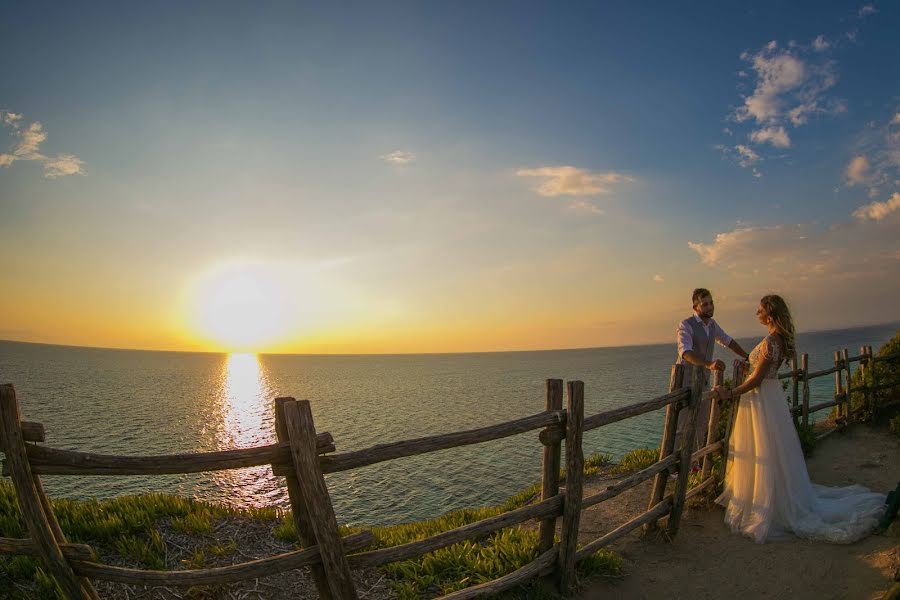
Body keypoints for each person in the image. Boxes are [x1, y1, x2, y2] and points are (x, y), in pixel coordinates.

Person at [711, 294, 885, 543]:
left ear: (770, 314)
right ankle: (764, 497)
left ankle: (768, 504)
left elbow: (757, 379)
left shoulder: (772, 341)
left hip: (763, 398)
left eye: (760, 310)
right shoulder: (777, 340)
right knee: (769, 448)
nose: (756, 313)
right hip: (769, 398)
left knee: (765, 448)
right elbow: (760, 372)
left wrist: (729, 393)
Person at [675, 288, 749, 453]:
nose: (710, 307)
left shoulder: (713, 325)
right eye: (705, 304)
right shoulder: (686, 325)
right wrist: (708, 364)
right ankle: (672, 469)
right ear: (695, 308)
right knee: (681, 426)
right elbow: (685, 353)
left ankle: (695, 464)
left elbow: (728, 341)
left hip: (704, 382)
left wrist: (748, 357)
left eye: (711, 303)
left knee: (701, 424)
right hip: (685, 382)